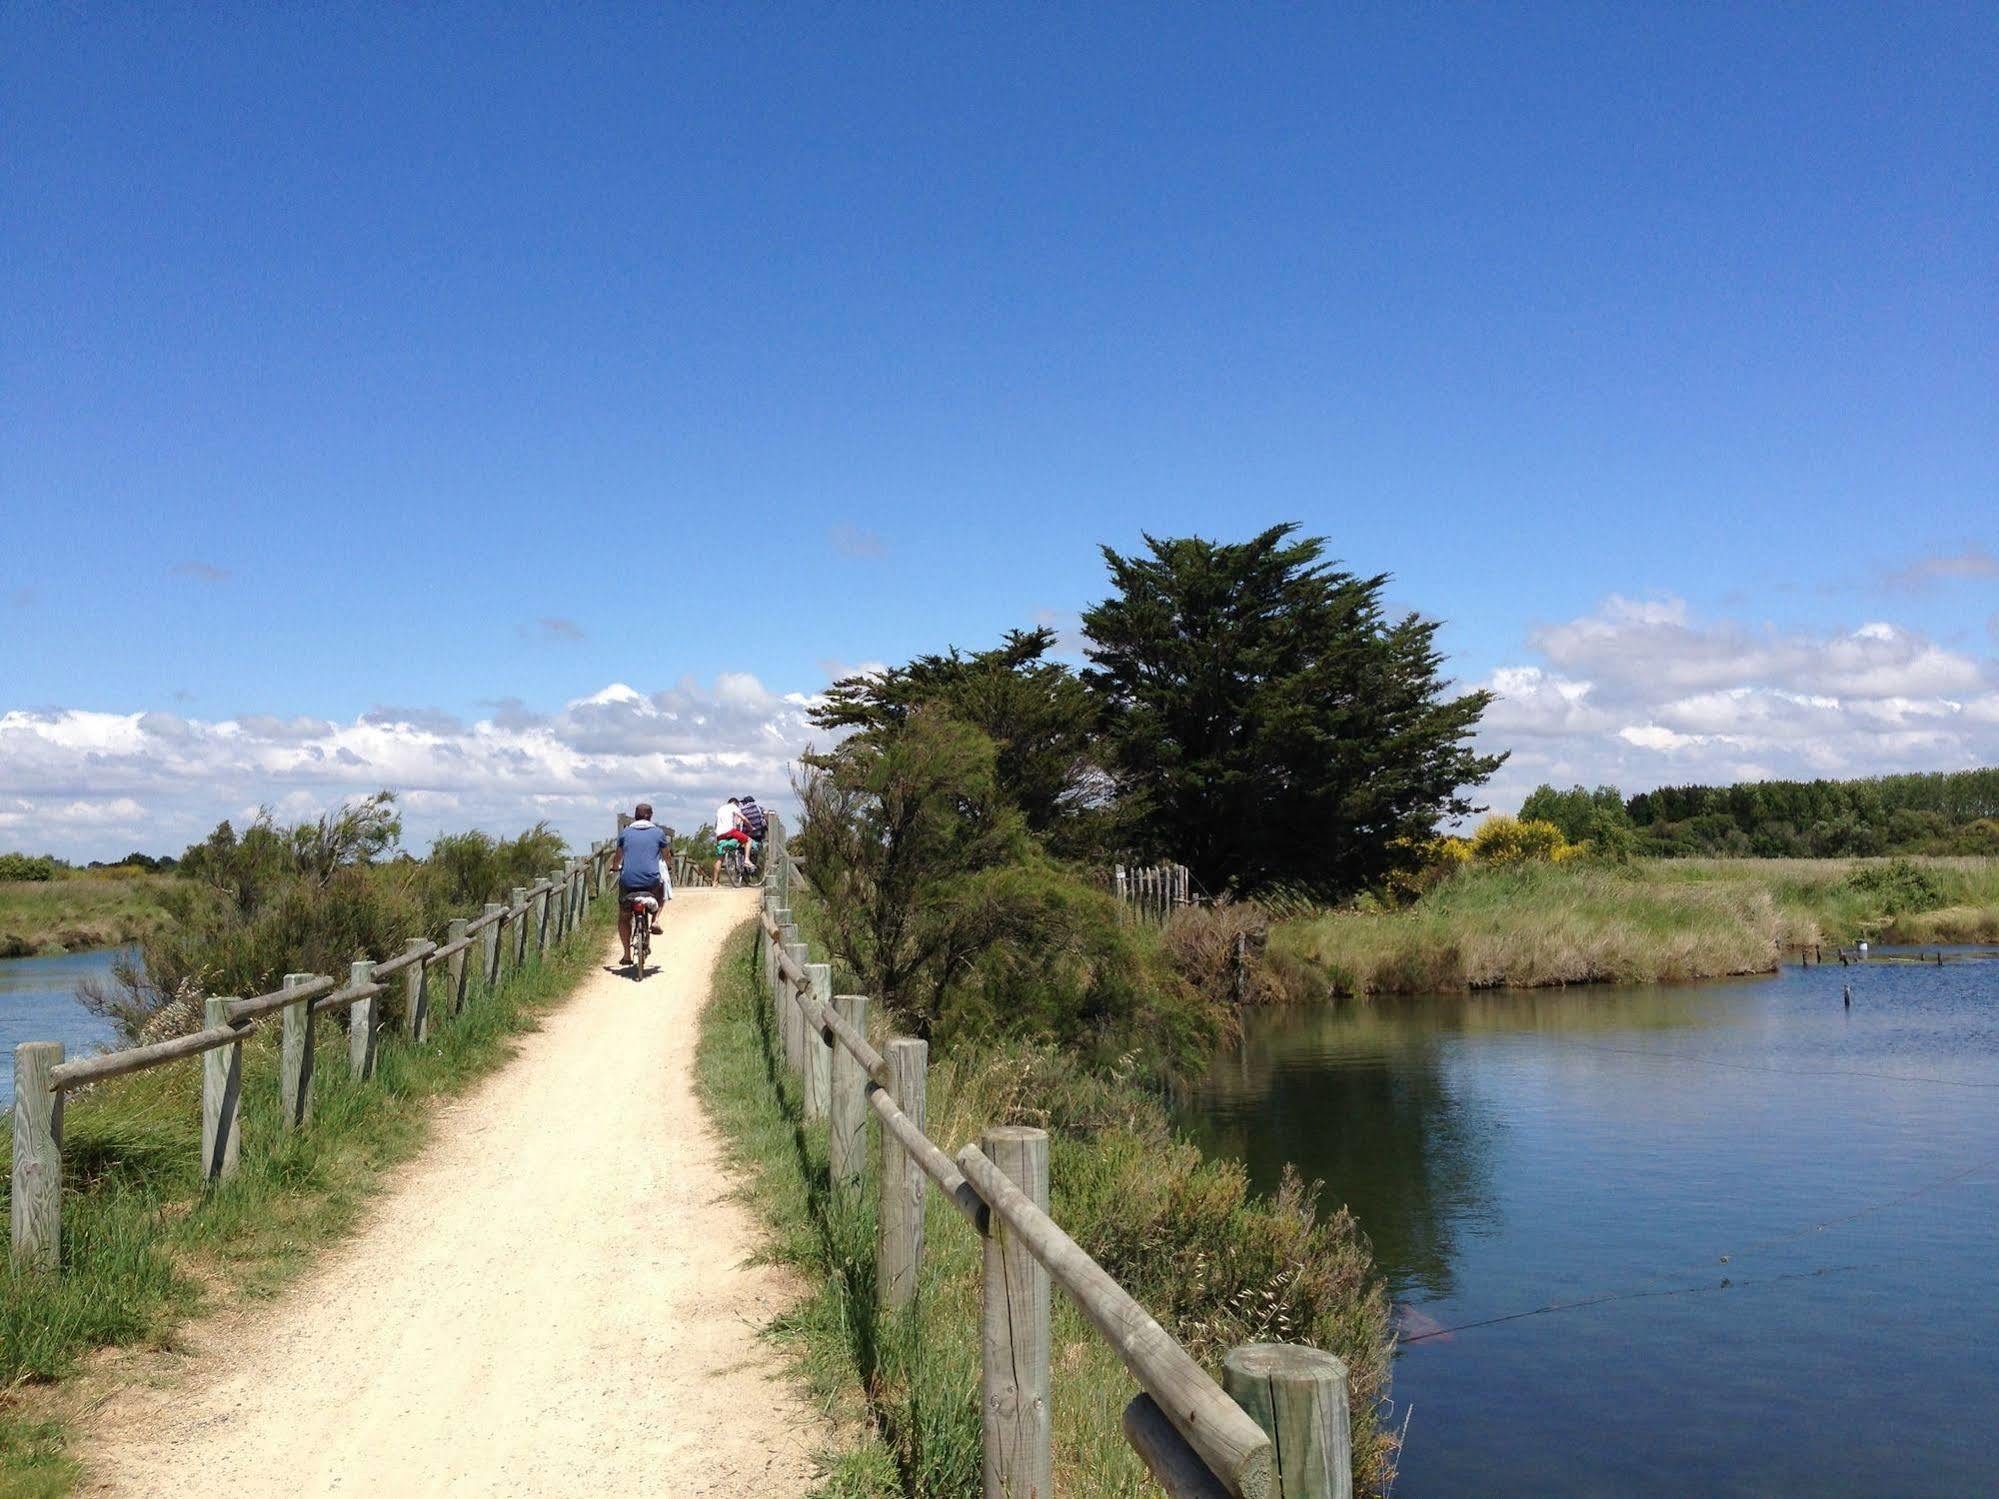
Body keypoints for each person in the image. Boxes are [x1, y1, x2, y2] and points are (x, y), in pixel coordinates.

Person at [612, 802, 670, 966]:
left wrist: (615, 867)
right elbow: (667, 856)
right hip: (650, 880)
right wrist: (670, 866)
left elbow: (617, 858)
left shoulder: (625, 833)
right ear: (650, 816)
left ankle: (627, 955)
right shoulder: (658, 833)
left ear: (635, 816)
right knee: (661, 891)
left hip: (628, 880)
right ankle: (655, 921)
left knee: (624, 916)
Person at [711, 795, 752, 883]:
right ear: (735, 803)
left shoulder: (720, 809)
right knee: (748, 840)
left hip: (719, 834)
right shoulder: (733, 806)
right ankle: (746, 859)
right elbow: (743, 818)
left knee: (720, 859)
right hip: (729, 831)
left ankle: (714, 882)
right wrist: (750, 826)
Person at [736, 792, 769, 871]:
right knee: (759, 846)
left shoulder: (742, 810)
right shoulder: (759, 808)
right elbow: (766, 813)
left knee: (743, 845)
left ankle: (742, 863)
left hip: (746, 834)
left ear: (745, 802)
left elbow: (738, 821)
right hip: (758, 834)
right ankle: (754, 862)